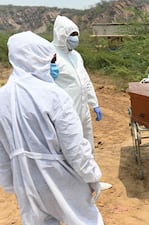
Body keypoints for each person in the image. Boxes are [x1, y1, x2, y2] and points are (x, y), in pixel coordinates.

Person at [0, 31, 104, 225]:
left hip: (27, 183)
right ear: (36, 59)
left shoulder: (2, 97)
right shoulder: (55, 96)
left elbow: (2, 152)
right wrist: (92, 176)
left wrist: (10, 183)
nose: (53, 66)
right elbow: (75, 150)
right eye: (50, 60)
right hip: (62, 179)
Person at [52, 15, 112, 190]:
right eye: (71, 34)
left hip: (83, 108)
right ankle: (70, 185)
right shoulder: (50, 55)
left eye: (76, 34)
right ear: (61, 34)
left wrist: (95, 103)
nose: (75, 38)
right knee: (69, 147)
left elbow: (85, 80)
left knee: (88, 143)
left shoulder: (76, 56)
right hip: (65, 111)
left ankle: (93, 182)